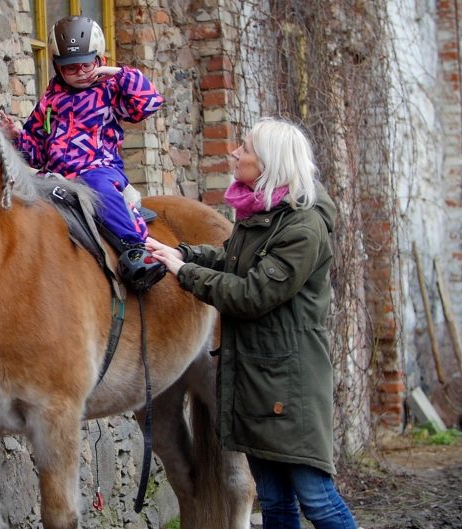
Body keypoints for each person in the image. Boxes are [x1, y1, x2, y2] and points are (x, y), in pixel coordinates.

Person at [151, 118, 358, 529]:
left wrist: (183, 272)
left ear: (268, 163)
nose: (235, 154)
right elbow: (227, 259)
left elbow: (253, 295)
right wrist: (177, 252)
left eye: (244, 148)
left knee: (317, 500)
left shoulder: (304, 227)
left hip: (289, 383)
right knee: (275, 503)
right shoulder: (260, 216)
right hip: (256, 378)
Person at [0, 15, 167, 292]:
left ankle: (135, 248)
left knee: (99, 188)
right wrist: (18, 136)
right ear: (57, 67)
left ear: (99, 60)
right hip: (54, 175)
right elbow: (35, 153)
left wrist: (119, 74)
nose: (79, 72)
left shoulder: (111, 91)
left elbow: (148, 103)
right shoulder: (49, 103)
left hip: (97, 167)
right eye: (70, 67)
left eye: (86, 64)